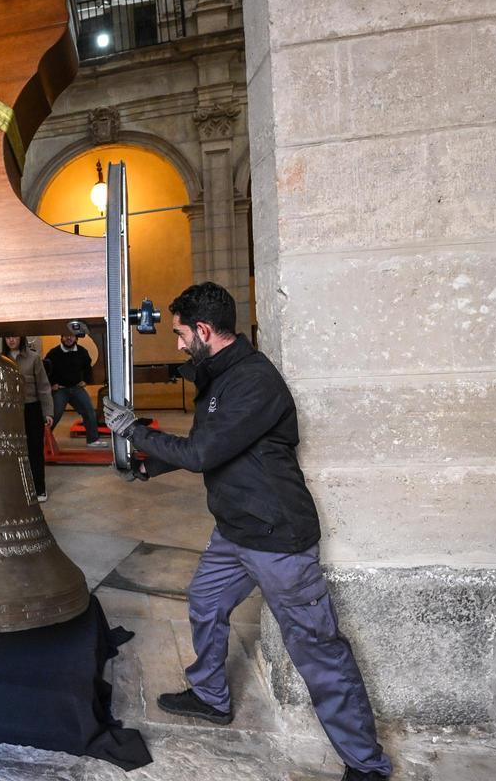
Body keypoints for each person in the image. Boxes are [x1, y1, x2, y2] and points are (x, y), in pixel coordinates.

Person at [103, 282, 392, 781]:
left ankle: (366, 764)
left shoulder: (254, 381)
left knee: (317, 649)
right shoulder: (221, 377)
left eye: (179, 334)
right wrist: (150, 469)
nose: (176, 344)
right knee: (205, 602)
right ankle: (212, 696)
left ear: (204, 330)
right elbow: (207, 443)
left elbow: (202, 454)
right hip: (236, 531)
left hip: (277, 537)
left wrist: (134, 431)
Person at [0, 336, 53, 503]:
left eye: (14, 337)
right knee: (10, 450)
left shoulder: (33, 359)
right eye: (8, 337)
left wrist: (48, 412)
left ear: (21, 338)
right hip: (9, 410)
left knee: (35, 449)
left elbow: (43, 387)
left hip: (31, 408)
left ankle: (39, 488)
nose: (11, 340)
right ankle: (15, 488)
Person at [44, 329, 107, 447]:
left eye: (72, 336)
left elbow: (88, 368)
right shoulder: (53, 353)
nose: (69, 338)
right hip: (60, 390)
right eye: (66, 336)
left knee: (89, 411)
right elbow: (45, 370)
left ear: (76, 338)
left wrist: (85, 381)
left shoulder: (82, 352)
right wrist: (52, 384)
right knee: (53, 415)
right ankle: (43, 440)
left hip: (76, 388)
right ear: (61, 337)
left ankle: (93, 440)